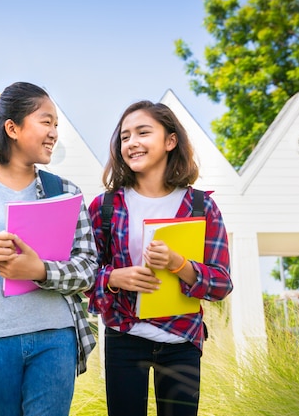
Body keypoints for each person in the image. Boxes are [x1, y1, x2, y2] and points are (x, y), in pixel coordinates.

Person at [0, 81, 97, 416]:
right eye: (46, 121)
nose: (54, 132)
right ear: (12, 127)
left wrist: (40, 271)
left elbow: (88, 270)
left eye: (57, 125)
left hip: (55, 340)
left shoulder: (66, 193)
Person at [87, 100, 233, 416]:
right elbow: (83, 272)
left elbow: (221, 283)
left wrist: (179, 265)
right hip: (124, 337)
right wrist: (113, 278)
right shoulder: (105, 207)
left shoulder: (201, 207)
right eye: (125, 137)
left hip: (182, 340)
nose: (132, 143)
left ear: (170, 141)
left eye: (143, 132)